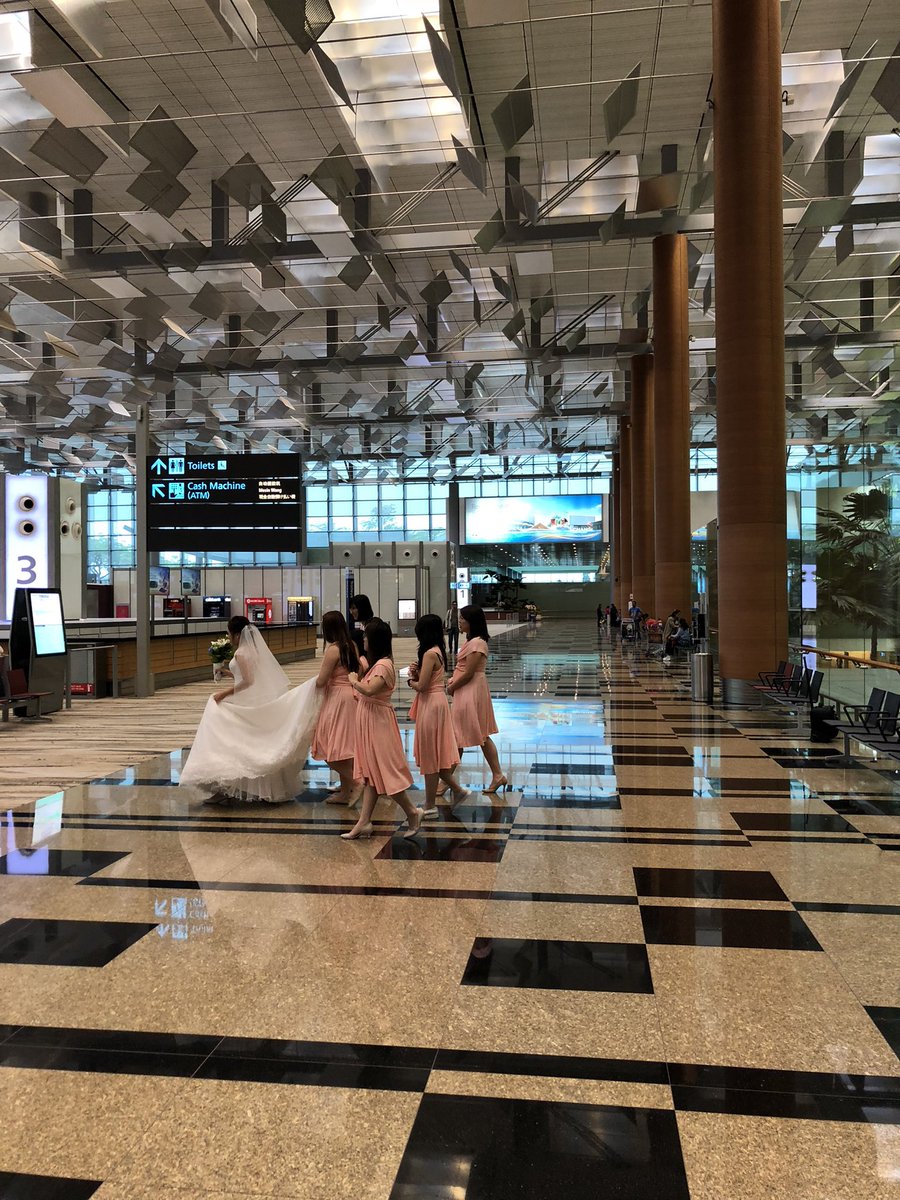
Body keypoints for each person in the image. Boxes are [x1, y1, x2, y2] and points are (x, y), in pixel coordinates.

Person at [180, 615, 321, 804]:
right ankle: (239, 787)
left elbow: (248, 681)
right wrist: (227, 672)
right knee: (248, 743)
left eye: (230, 633)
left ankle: (225, 786)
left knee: (230, 738)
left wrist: (224, 693)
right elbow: (247, 676)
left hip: (244, 699)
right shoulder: (252, 651)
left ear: (237, 635)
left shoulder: (240, 653)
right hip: (251, 698)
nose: (228, 637)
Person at [342, 618, 422, 841]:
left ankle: (413, 813)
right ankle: (364, 821)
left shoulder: (384, 665)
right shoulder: (376, 664)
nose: (364, 639)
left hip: (379, 724)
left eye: (367, 636)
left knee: (385, 772)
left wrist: (353, 681)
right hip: (371, 721)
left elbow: (369, 690)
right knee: (371, 774)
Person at [408, 614, 469, 817]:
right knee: (435, 752)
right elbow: (429, 679)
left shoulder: (429, 654)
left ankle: (429, 805)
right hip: (438, 702)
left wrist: (411, 681)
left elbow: (422, 686)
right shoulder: (438, 651)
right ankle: (458, 791)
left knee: (430, 753)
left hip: (431, 704)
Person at [448, 604, 507, 793]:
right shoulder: (472, 642)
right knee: (477, 735)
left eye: (463, 619)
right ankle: (497, 775)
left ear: (472, 622)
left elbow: (468, 673)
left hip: (470, 690)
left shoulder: (477, 643)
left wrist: (451, 686)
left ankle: (445, 780)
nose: (460, 622)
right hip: (468, 689)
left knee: (461, 734)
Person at [311, 611, 361, 806]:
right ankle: (345, 790)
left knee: (328, 746)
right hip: (351, 695)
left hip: (337, 699)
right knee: (345, 746)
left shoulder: (333, 650)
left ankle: (356, 783)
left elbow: (322, 680)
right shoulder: (351, 646)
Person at [348, 594, 374, 660]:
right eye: (350, 608)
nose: (351, 612)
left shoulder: (374, 625)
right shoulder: (351, 625)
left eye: (354, 608)